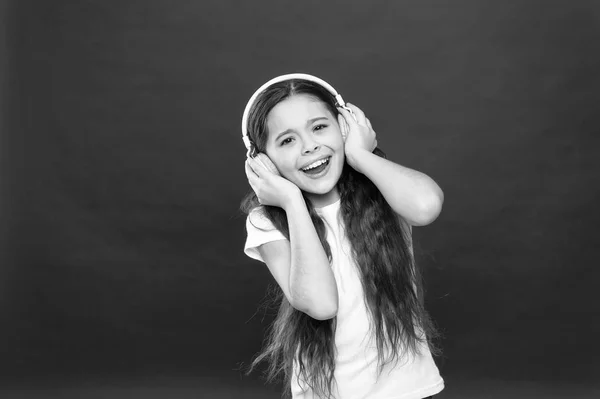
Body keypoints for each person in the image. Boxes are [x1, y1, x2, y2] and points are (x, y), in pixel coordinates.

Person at [240, 74, 445, 399]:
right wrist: (292, 202)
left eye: (320, 127)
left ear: (345, 127)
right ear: (263, 162)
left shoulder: (383, 186)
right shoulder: (266, 221)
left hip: (409, 390)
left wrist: (361, 155)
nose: (310, 146)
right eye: (287, 140)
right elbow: (321, 304)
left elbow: (425, 206)